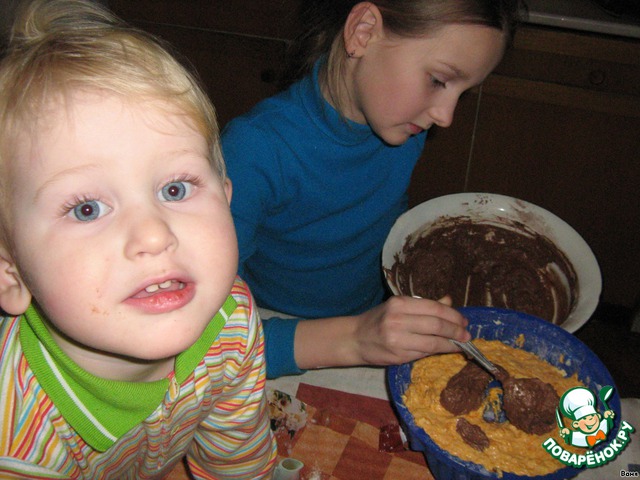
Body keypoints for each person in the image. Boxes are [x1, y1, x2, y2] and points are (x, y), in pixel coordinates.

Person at [0, 0, 276, 478]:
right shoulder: (16, 437)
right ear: (11, 274)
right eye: (87, 209)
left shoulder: (230, 322)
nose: (153, 233)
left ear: (226, 199)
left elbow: (237, 462)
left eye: (175, 189)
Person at [221, 0, 524, 379]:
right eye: (438, 80)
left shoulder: (403, 127)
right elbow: (208, 345)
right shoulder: (254, 151)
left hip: (372, 323)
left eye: (463, 93)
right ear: (363, 32)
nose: (445, 116)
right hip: (275, 346)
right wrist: (356, 338)